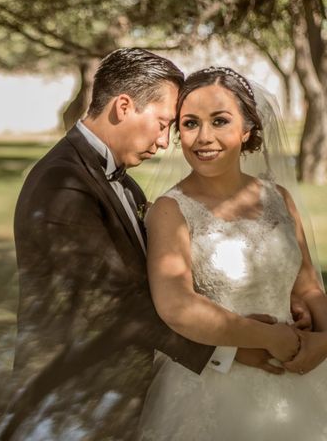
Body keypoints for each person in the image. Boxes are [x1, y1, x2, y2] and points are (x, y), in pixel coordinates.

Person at [0, 50, 304, 440]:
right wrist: (230, 346)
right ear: (124, 106)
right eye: (163, 125)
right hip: (74, 399)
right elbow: (108, 302)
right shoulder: (64, 183)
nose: (163, 143)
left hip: (117, 393)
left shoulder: (123, 181)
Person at [138, 67, 327, 440]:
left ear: (247, 129)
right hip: (213, 386)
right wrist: (267, 337)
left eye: (220, 121)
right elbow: (176, 306)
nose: (203, 137)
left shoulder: (279, 198)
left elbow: (308, 287)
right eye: (190, 124)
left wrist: (324, 341)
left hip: (300, 369)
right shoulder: (170, 210)